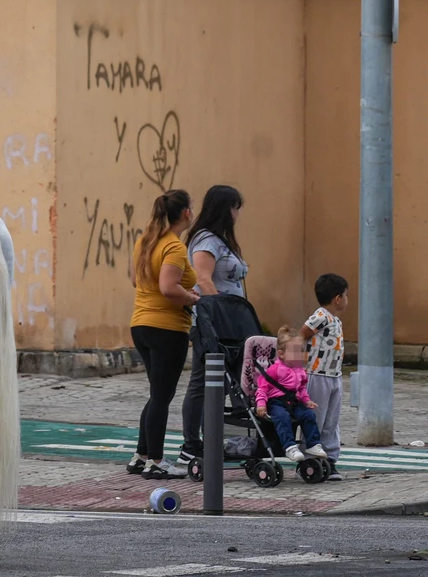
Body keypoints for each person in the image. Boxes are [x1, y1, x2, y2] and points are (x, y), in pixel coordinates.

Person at [125, 190, 201, 480]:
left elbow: (136, 280)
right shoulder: (173, 247)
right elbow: (169, 288)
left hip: (141, 324)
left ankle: (141, 455)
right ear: (185, 213)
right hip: (167, 328)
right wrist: (191, 298)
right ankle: (157, 461)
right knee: (162, 396)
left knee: (156, 394)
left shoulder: (145, 241)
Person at [177, 185, 249, 465]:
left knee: (219, 383)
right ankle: (191, 444)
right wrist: (224, 314)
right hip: (214, 324)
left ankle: (212, 440)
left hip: (231, 324)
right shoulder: (207, 240)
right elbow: (204, 279)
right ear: (225, 208)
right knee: (203, 382)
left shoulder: (222, 241)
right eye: (235, 208)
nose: (237, 214)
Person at [255, 327, 327, 462]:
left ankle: (313, 444)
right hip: (276, 402)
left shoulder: (299, 370)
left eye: (301, 351)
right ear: (281, 354)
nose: (299, 355)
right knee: (282, 417)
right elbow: (262, 389)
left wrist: (306, 400)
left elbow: (301, 388)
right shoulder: (274, 370)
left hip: (294, 402)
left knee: (309, 414)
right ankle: (290, 446)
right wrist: (261, 404)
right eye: (294, 352)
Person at [303, 274, 348, 479]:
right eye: (346, 295)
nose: (347, 299)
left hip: (334, 376)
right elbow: (300, 336)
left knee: (332, 419)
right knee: (316, 419)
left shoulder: (335, 320)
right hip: (317, 375)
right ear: (337, 298)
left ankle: (330, 459)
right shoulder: (320, 316)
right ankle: (309, 458)